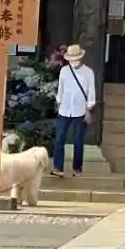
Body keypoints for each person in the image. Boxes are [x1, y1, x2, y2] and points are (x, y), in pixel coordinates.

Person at [51, 44, 97, 178]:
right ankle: (58, 167)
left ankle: (77, 168)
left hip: (80, 109)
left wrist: (89, 108)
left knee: (78, 141)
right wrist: (58, 102)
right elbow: (61, 88)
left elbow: (91, 92)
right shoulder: (64, 71)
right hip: (64, 109)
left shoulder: (88, 72)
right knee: (59, 138)